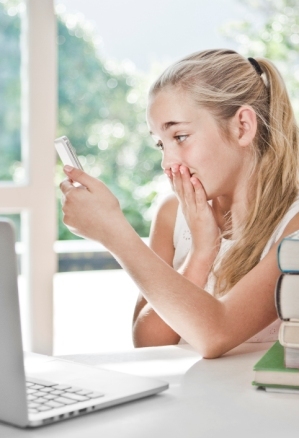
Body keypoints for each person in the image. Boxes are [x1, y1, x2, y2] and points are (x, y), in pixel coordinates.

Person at [60, 49, 299, 358]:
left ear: (242, 126)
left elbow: (217, 333)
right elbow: (149, 343)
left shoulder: (292, 226)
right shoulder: (173, 215)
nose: (167, 162)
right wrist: (201, 254)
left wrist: (114, 234)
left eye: (181, 136)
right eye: (161, 144)